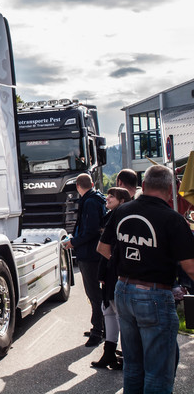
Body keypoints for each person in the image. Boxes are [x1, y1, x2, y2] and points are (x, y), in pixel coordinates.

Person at [97, 165, 194, 393]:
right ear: (169, 189)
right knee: (157, 371)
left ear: (146, 184)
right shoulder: (172, 219)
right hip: (154, 296)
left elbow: (102, 247)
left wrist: (127, 263)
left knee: (133, 366)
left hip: (123, 290)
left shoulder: (121, 211)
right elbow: (190, 266)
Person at [63, 173, 106, 347]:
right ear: (92, 183)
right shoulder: (98, 199)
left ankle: (98, 331)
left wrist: (73, 242)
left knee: (94, 294)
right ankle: (102, 326)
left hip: (89, 254)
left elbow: (91, 231)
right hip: (96, 252)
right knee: (97, 294)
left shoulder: (88, 202)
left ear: (77, 187)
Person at [91, 187, 131, 370]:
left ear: (122, 200)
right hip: (110, 270)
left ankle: (123, 354)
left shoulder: (120, 217)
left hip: (116, 272)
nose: (107, 198)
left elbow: (106, 248)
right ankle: (109, 353)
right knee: (108, 310)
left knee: (119, 313)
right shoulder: (111, 216)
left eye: (111, 196)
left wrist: (114, 264)